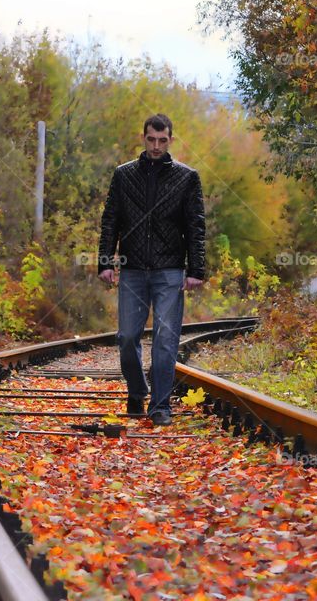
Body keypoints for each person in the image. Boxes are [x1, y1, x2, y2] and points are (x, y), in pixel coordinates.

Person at [97, 113, 206, 426]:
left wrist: (196, 269)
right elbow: (111, 220)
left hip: (170, 272)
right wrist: (106, 261)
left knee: (165, 339)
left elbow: (196, 226)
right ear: (143, 138)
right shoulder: (123, 175)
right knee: (127, 337)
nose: (156, 145)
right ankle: (136, 390)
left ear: (170, 140)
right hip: (132, 270)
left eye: (162, 140)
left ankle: (160, 406)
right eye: (151, 139)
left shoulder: (187, 177)